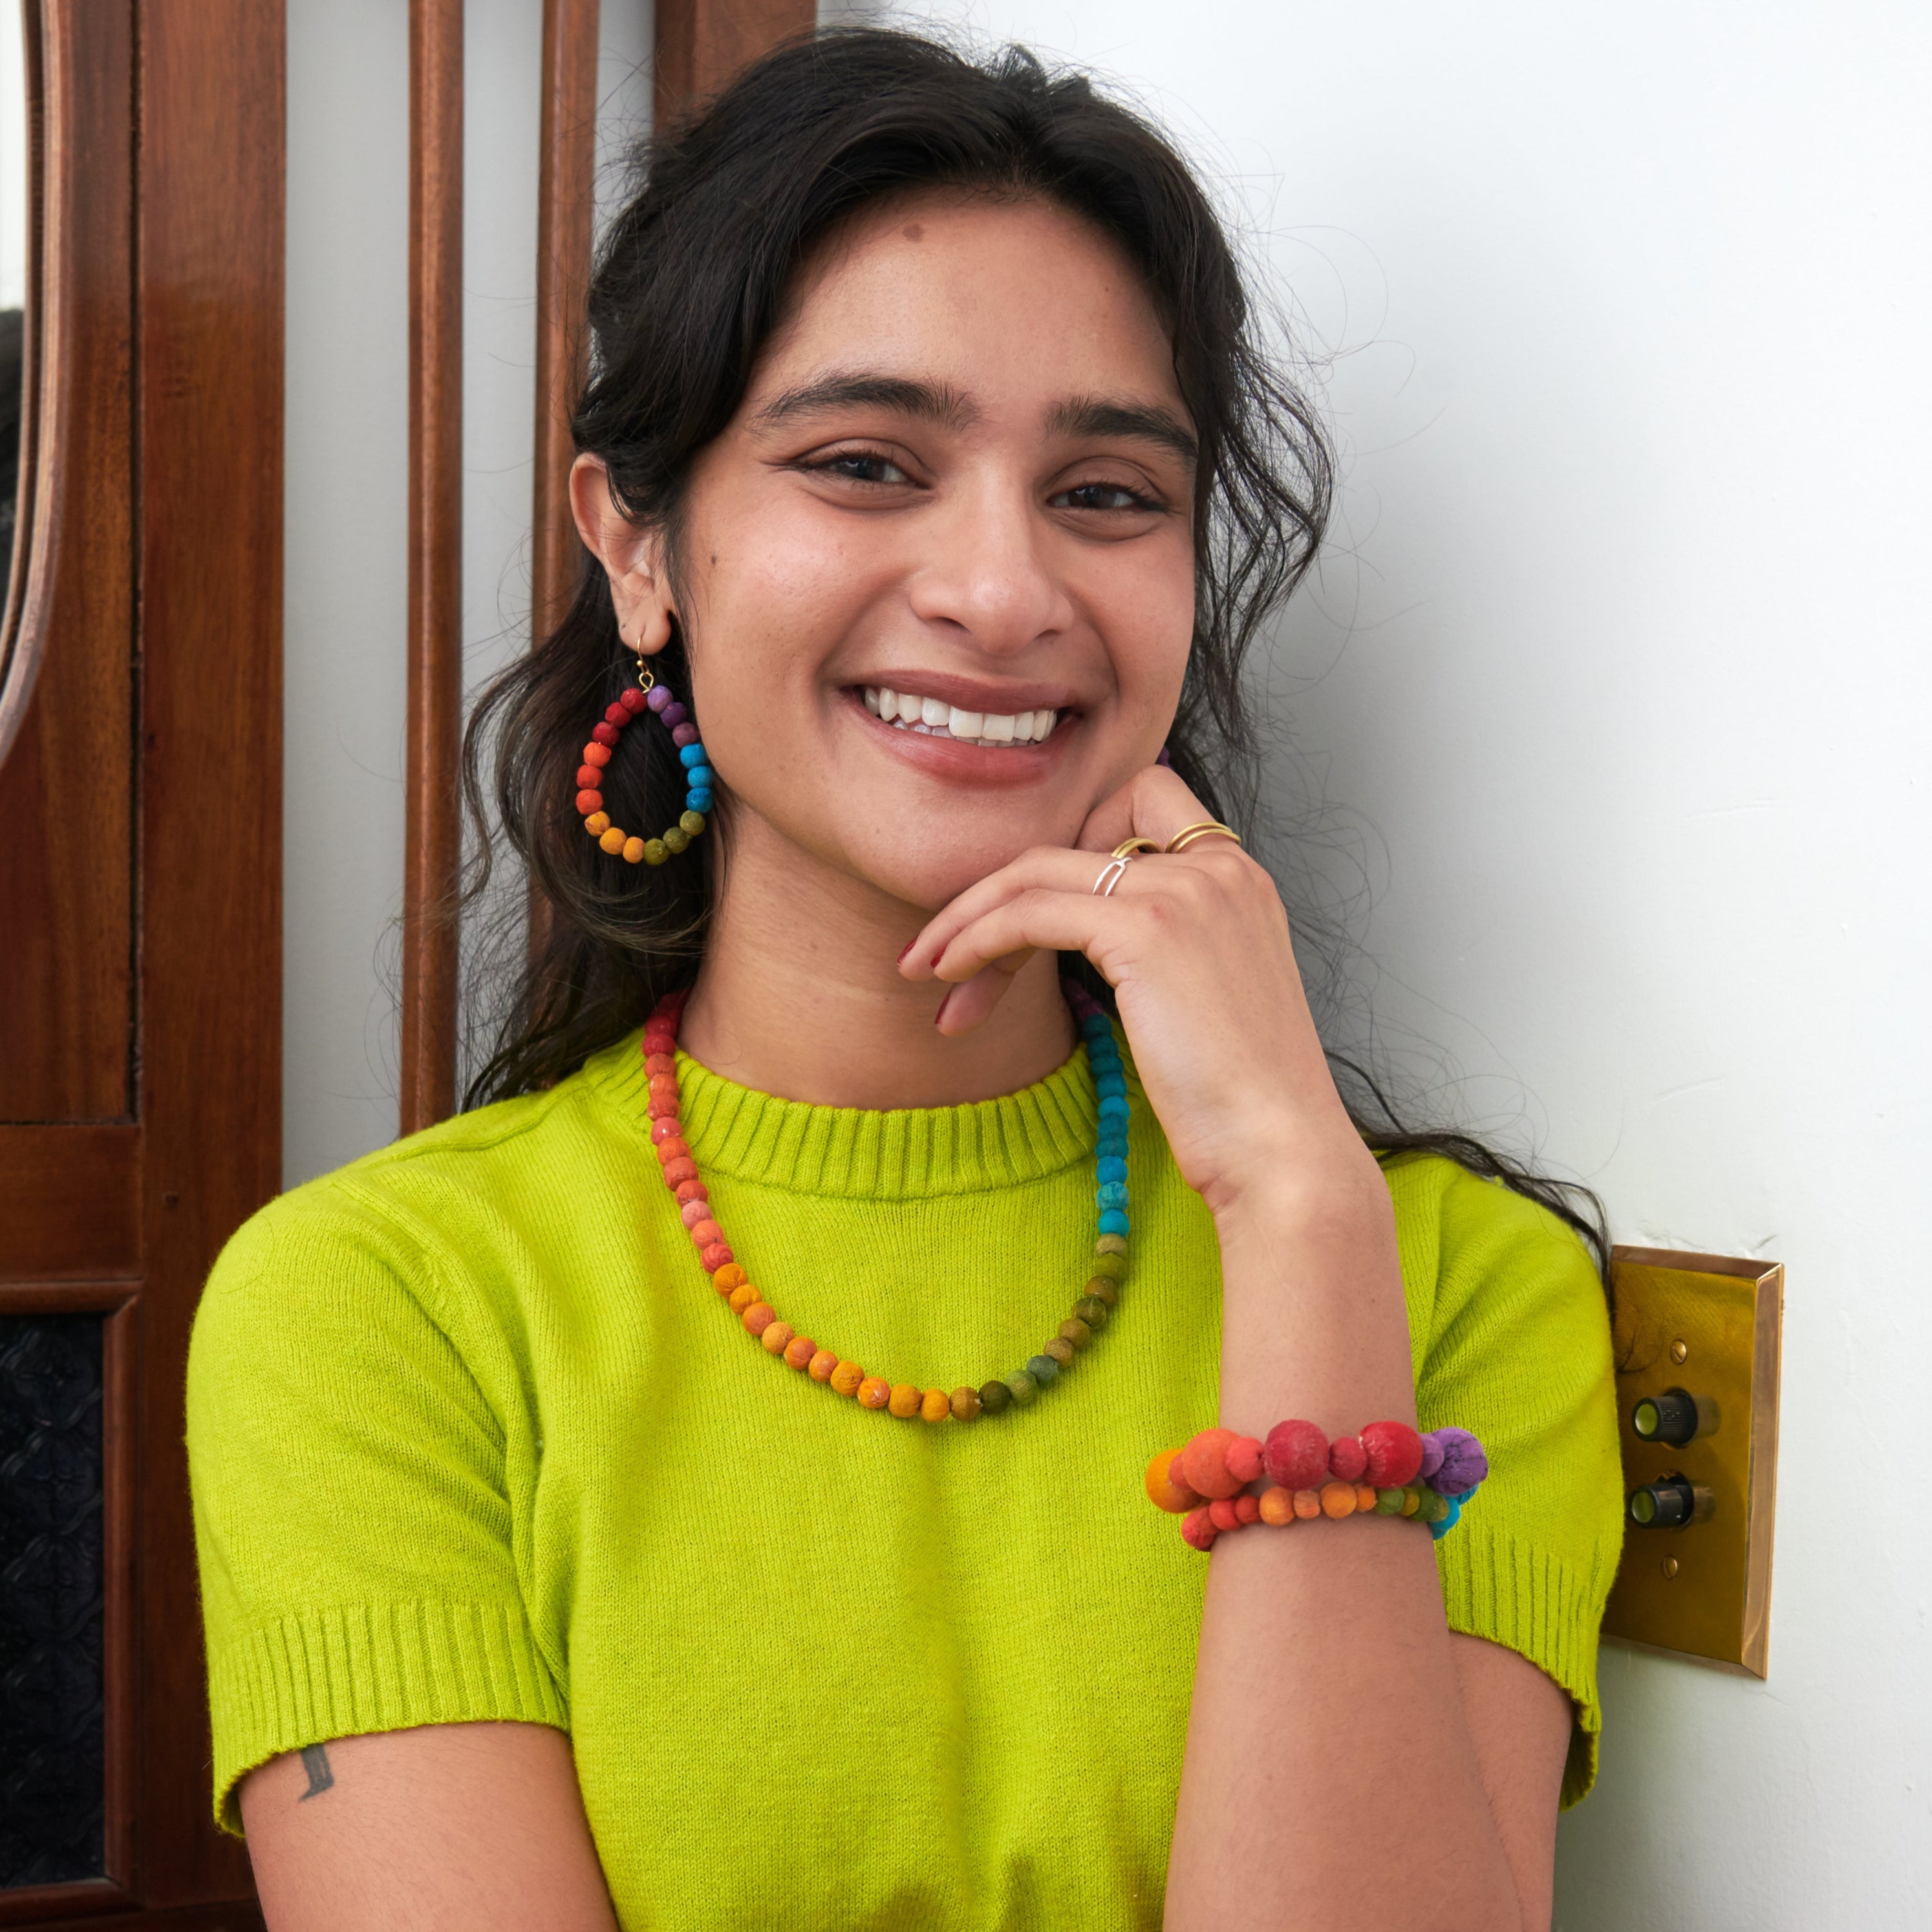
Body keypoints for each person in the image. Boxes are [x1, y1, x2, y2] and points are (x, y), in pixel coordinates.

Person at [188, 28, 1620, 1931]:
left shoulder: (1441, 1287)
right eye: (865, 464)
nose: (1001, 587)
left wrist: (1291, 1214)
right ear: (637, 543)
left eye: (1107, 492)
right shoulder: (379, 1312)